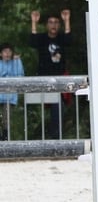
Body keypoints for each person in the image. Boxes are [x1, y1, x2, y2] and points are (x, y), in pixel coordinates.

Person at [28, 9, 72, 138]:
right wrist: (34, 22)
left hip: (59, 79)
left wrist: (67, 20)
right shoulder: (42, 38)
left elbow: (69, 40)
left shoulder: (61, 38)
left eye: (56, 22)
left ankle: (55, 137)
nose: (53, 25)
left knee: (57, 106)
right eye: (51, 22)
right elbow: (32, 41)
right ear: (47, 25)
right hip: (44, 78)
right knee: (39, 107)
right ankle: (39, 136)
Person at [0, 43, 25, 140]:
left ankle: (5, 137)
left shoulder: (16, 61)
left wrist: (17, 61)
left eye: (9, 51)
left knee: (6, 118)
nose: (7, 54)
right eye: (5, 51)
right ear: (1, 54)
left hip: (9, 96)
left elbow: (20, 75)